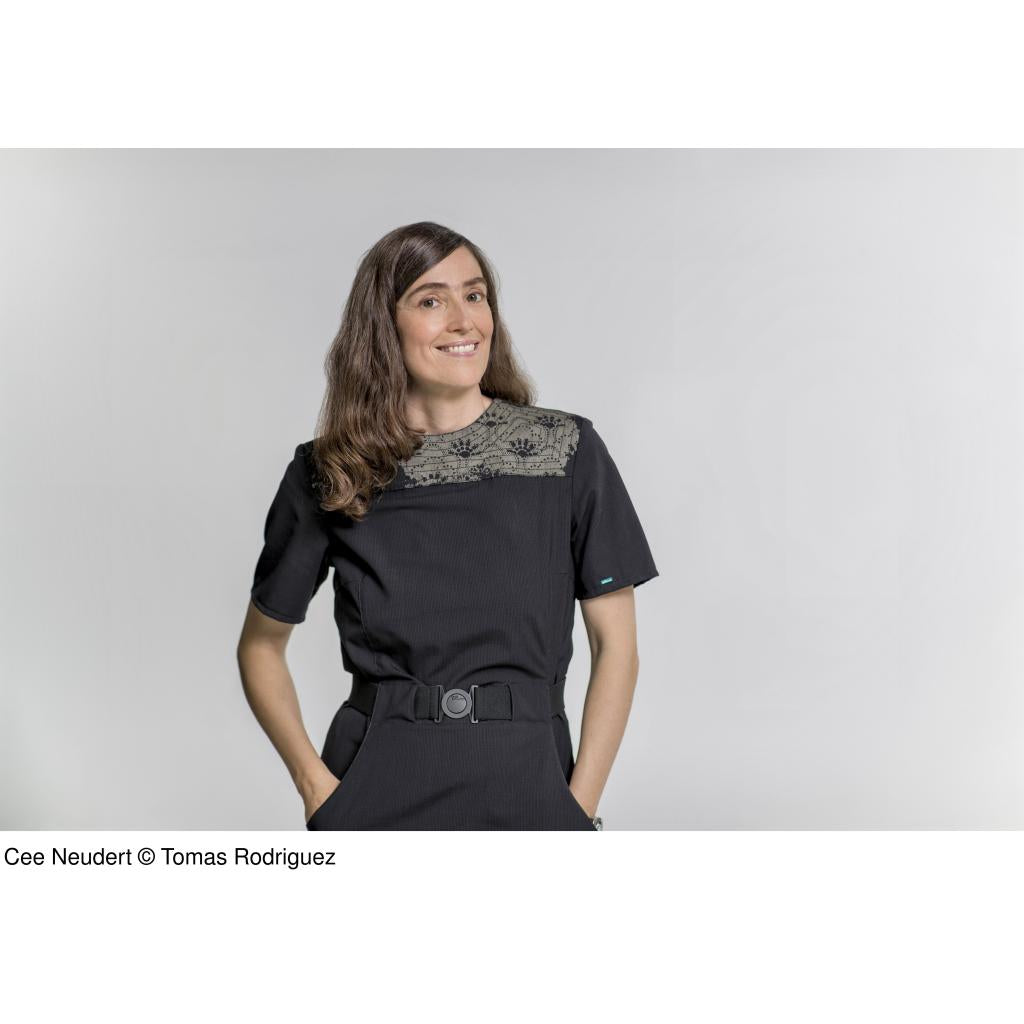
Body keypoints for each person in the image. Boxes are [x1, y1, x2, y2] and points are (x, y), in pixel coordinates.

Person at [235, 221, 659, 830]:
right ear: (383, 325)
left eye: (475, 295)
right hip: (373, 786)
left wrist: (578, 807)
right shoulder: (331, 470)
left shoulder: (568, 452)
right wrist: (317, 788)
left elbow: (616, 647)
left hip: (532, 783)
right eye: (431, 301)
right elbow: (261, 645)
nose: (464, 321)